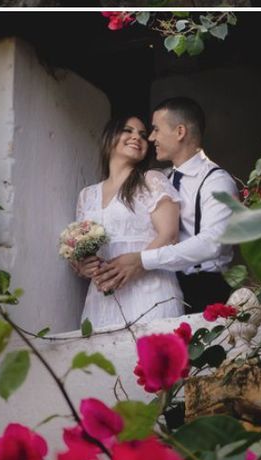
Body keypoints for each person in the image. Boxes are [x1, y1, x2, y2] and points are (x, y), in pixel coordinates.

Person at [94, 97, 237, 313]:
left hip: (204, 289)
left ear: (180, 132)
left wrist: (142, 259)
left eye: (155, 130)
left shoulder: (216, 181)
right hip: (162, 286)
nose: (151, 138)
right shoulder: (158, 180)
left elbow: (212, 243)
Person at [73, 115, 183, 329]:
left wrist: (137, 263)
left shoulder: (151, 180)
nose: (137, 137)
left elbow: (169, 236)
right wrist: (82, 265)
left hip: (150, 291)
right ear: (109, 137)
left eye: (143, 135)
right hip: (102, 298)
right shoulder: (87, 195)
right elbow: (79, 250)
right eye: (128, 130)